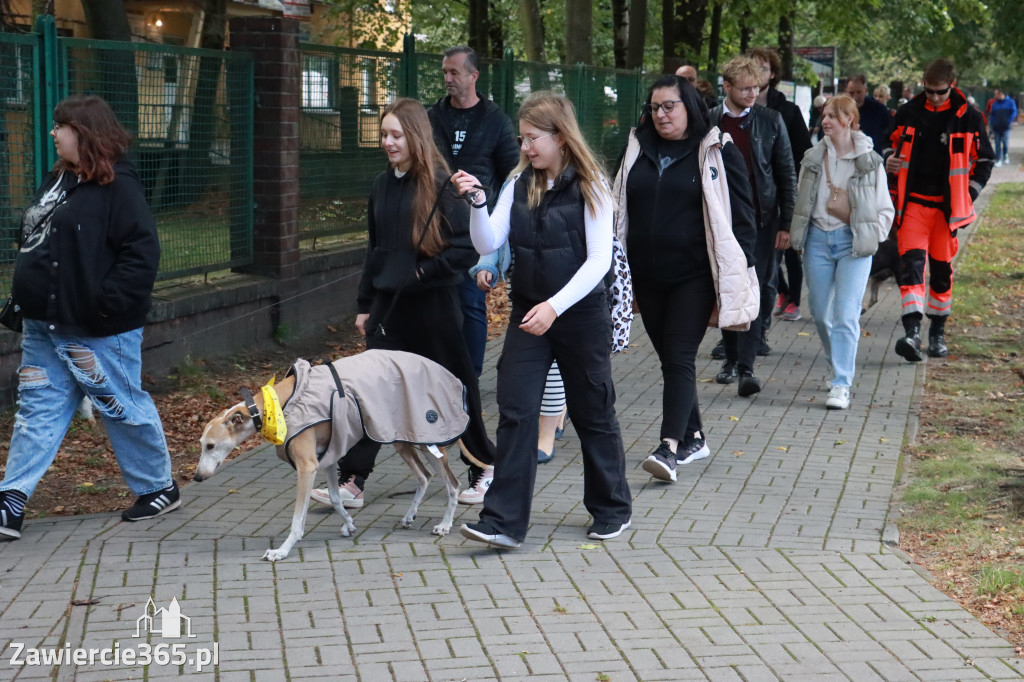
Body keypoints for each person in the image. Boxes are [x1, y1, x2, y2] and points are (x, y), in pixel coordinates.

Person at [452, 92, 632, 548]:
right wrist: (476, 202)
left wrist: (556, 306)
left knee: (594, 411)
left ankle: (611, 508)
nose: (526, 147)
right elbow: (488, 240)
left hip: (579, 315)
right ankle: (504, 522)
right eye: (522, 138)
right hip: (529, 314)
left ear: (560, 137)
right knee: (514, 410)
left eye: (533, 138)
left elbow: (598, 261)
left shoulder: (591, 184)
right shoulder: (517, 184)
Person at [0, 95, 178, 540]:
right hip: (45, 323)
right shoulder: (60, 178)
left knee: (119, 405)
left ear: (82, 132)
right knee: (37, 408)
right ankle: (11, 500)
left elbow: (142, 254)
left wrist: (104, 303)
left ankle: (159, 487)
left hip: (97, 329)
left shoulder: (119, 186)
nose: (53, 133)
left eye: (59, 126)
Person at [310, 97, 497, 509]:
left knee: (455, 389)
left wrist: (420, 275)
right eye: (383, 135)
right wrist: (364, 304)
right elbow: (374, 251)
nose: (388, 142)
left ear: (415, 136)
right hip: (388, 312)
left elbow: (465, 251)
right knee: (370, 392)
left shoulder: (444, 186)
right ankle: (353, 481)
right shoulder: (380, 186)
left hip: (434, 311)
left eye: (396, 135)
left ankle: (484, 466)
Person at [612, 75, 757, 481]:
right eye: (655, 107)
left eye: (669, 106)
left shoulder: (714, 149)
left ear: (689, 107)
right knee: (671, 362)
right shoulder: (637, 147)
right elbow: (620, 202)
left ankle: (668, 448)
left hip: (693, 276)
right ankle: (693, 435)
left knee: (678, 357)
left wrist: (737, 265)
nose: (661, 114)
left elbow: (744, 217)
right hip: (646, 275)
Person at [884, 58, 994, 361]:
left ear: (952, 85)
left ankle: (937, 333)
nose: (934, 97)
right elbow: (887, 144)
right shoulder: (908, 112)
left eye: (940, 92)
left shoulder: (969, 117)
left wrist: (970, 194)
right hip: (913, 205)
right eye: (929, 90)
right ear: (923, 83)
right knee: (911, 266)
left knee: (942, 273)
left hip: (947, 212)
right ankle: (912, 333)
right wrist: (888, 159)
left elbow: (985, 161)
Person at [789, 94, 894, 409]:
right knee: (821, 315)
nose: (826, 121)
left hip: (853, 244)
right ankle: (837, 364)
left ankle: (841, 384)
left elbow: (885, 209)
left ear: (850, 120)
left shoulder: (869, 161)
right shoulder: (812, 157)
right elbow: (802, 200)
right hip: (818, 242)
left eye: (833, 115)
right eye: (823, 115)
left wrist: (871, 236)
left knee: (846, 315)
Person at [427, 46, 520, 378]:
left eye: (454, 72)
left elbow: (514, 176)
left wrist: (490, 209)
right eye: (445, 73)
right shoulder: (432, 117)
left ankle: (470, 379)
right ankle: (438, 377)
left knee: (470, 306)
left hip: (476, 232)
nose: (448, 79)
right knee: (437, 308)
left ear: (473, 76)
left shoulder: (495, 121)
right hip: (435, 229)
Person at [708, 56, 797, 396]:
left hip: (761, 219)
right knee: (725, 288)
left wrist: (785, 224)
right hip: (720, 219)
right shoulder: (710, 120)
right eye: (745, 89)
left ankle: (746, 367)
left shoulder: (771, 121)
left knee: (752, 288)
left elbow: (786, 174)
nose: (752, 95)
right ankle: (730, 358)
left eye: (757, 89)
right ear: (727, 87)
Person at [750, 47, 812, 326]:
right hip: (746, 200)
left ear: (772, 74)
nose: (757, 71)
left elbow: (804, 155)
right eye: (751, 66)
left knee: (782, 256)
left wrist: (792, 193)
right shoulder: (732, 109)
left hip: (780, 197)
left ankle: (787, 305)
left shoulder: (787, 111)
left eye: (763, 67)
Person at [846, 74, 891, 154]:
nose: (855, 97)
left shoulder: (880, 110)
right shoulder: (841, 110)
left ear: (866, 91)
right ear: (847, 92)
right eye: (851, 93)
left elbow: (891, 135)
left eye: (859, 92)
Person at [988, 89, 1017, 167]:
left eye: (996, 94)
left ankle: (1005, 155)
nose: (995, 96)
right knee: (997, 143)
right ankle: (998, 159)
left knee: (1005, 143)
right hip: (997, 126)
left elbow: (1014, 112)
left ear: (1000, 94)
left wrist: (1009, 120)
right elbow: (992, 114)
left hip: (1006, 126)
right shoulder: (995, 104)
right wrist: (993, 122)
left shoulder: (1010, 102)